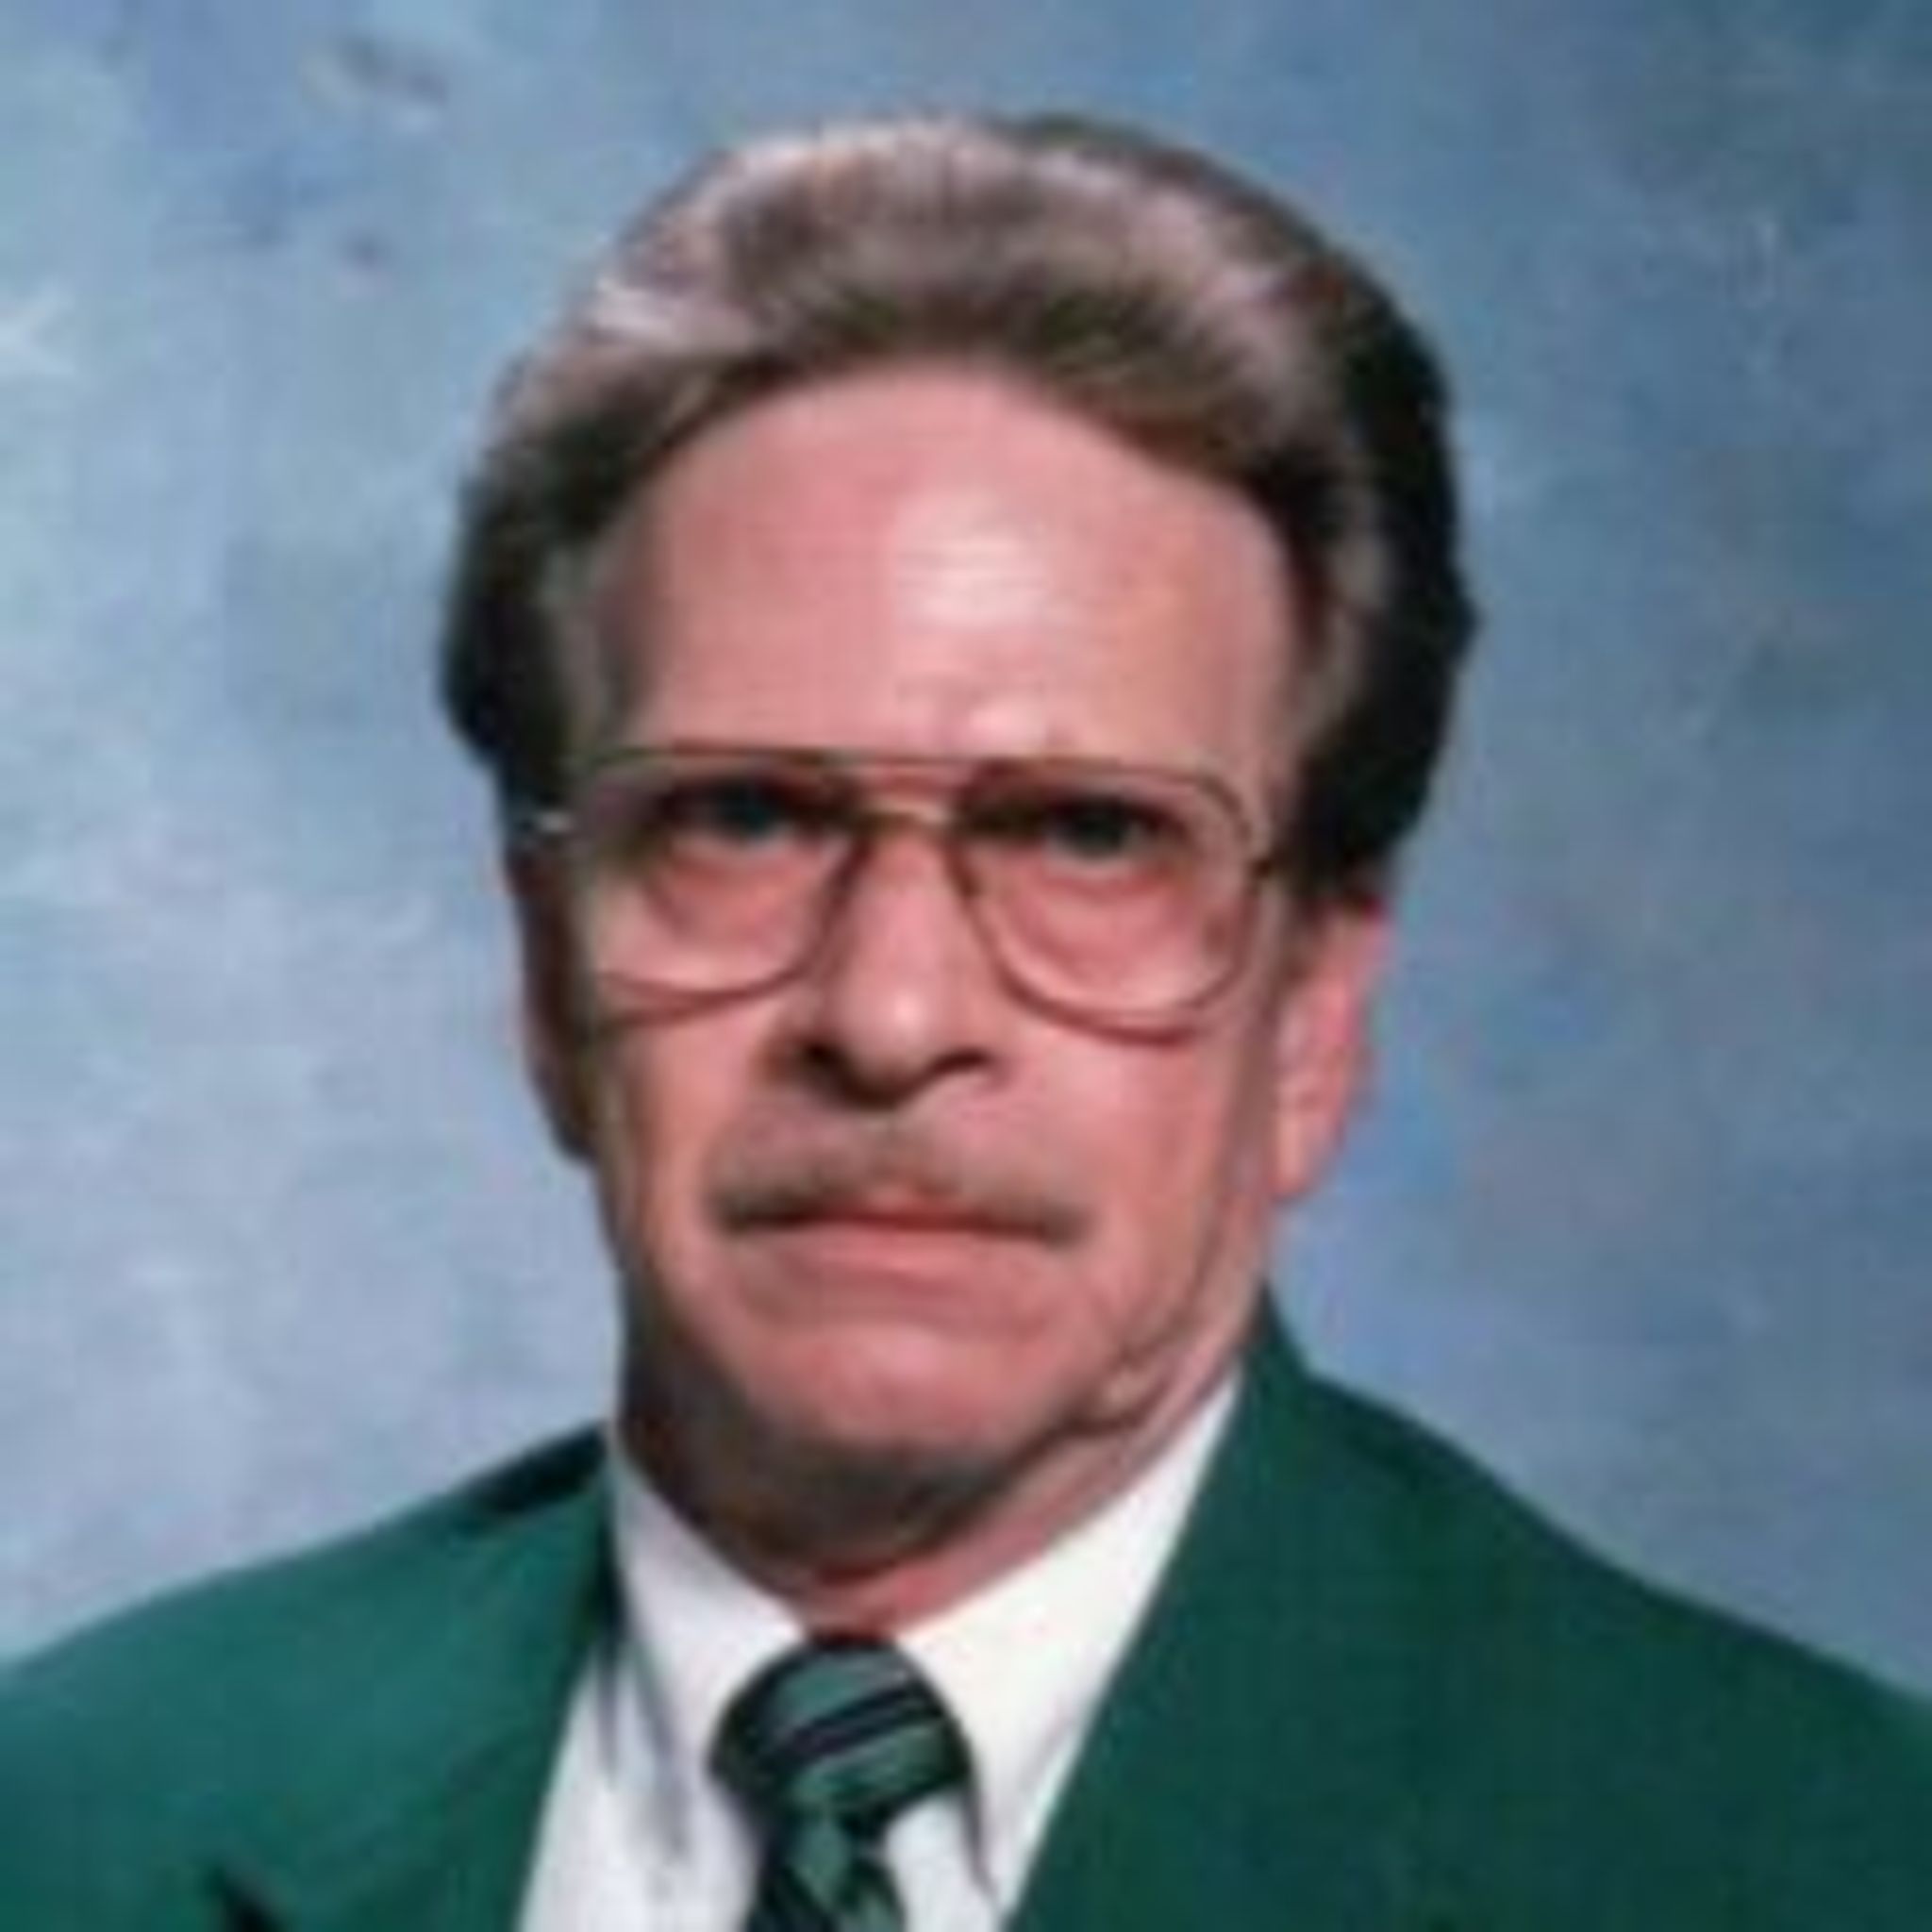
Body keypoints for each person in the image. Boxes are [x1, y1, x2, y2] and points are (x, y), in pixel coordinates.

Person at [3, 110, 1928, 1932]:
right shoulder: (71, 1818)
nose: (890, 1012)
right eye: (741, 818)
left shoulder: (1814, 1861)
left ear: (1314, 1010)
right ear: (547, 968)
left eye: (1088, 835)